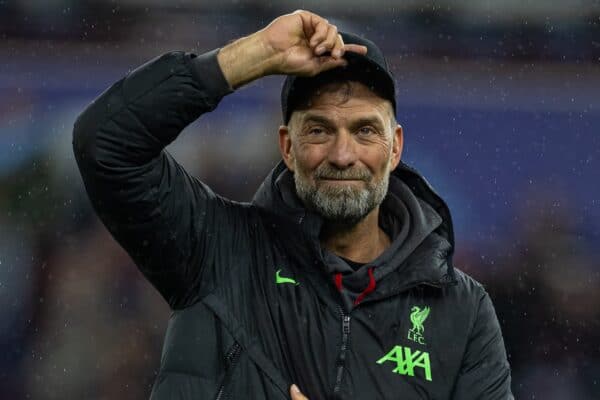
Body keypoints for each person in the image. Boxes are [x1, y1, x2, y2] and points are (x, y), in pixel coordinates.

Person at [73, 10, 513, 400]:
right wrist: (255, 55)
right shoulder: (217, 249)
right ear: (287, 146)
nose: (342, 155)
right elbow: (106, 145)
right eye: (319, 131)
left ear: (395, 147)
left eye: (364, 131)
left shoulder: (461, 310)